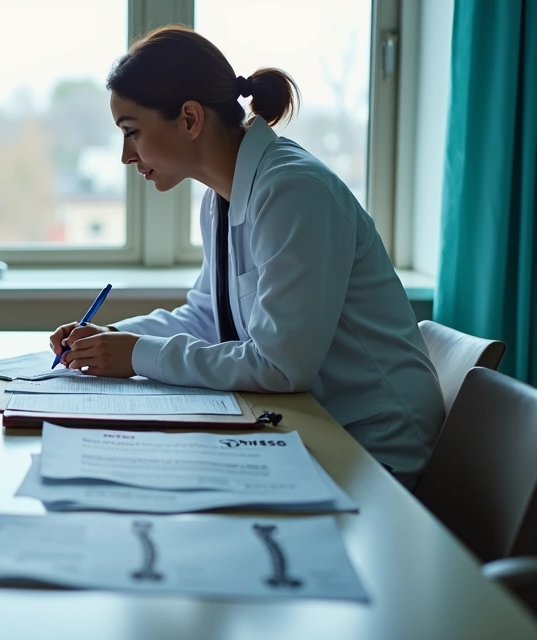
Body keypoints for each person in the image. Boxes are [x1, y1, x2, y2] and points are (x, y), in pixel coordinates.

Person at [50, 26, 443, 488]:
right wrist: (113, 338)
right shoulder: (222, 197)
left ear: (191, 119)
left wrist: (136, 355)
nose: (124, 156)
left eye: (132, 132)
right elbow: (205, 317)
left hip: (373, 451)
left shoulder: (294, 191)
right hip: (310, 427)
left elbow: (280, 366)